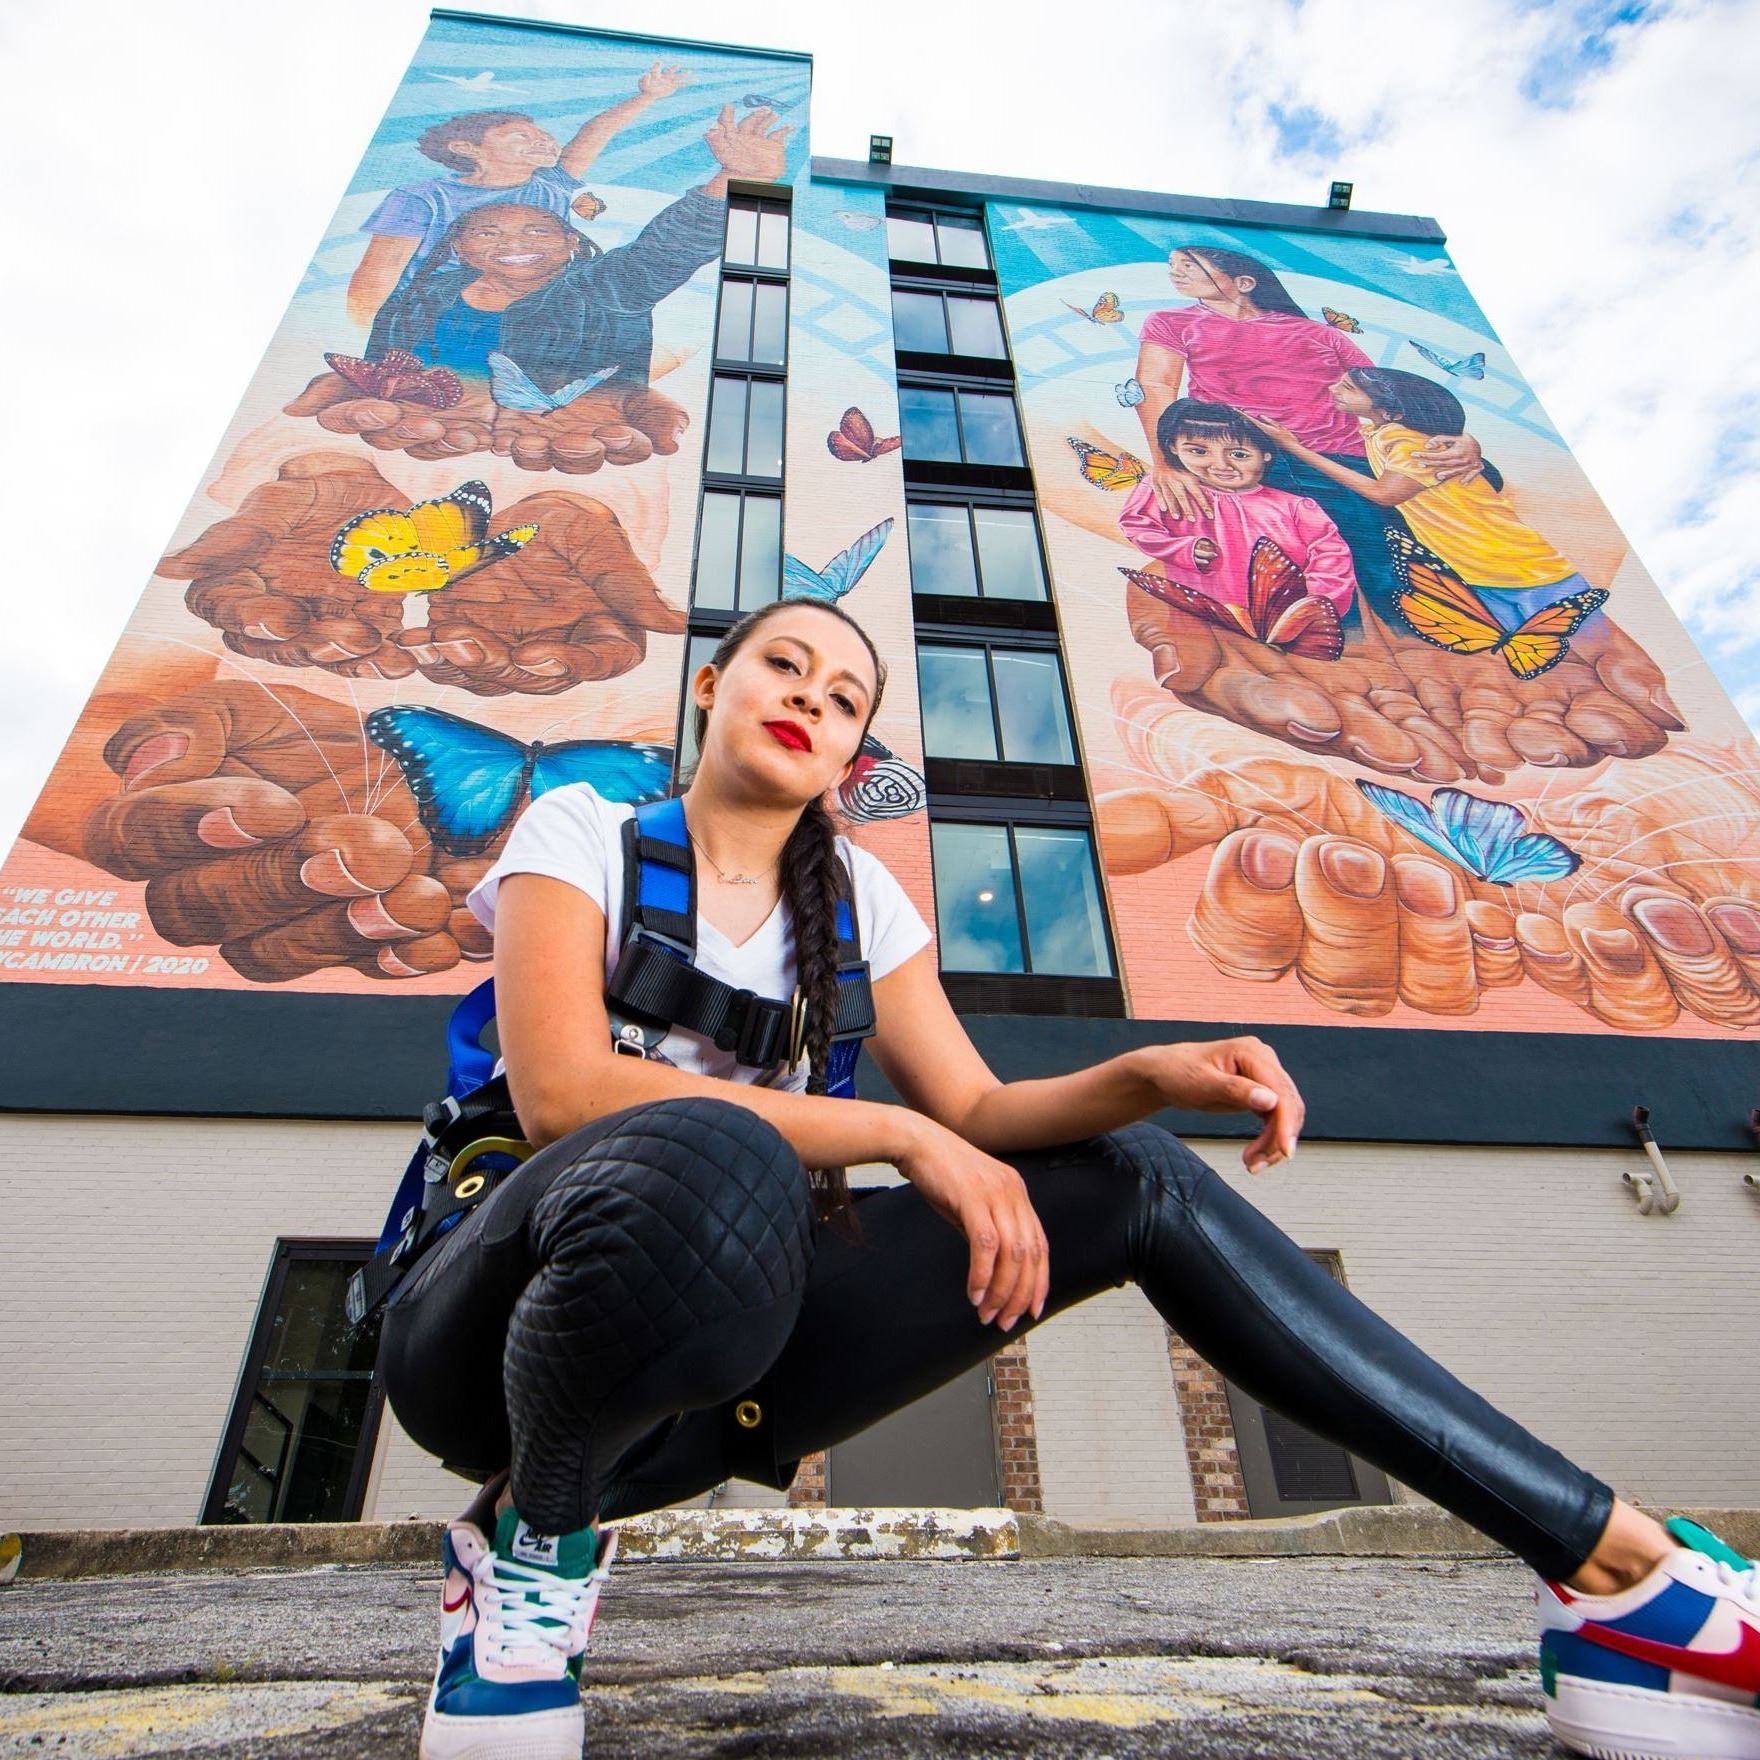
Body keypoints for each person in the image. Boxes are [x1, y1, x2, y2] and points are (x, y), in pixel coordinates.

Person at [378, 597, 1760, 1760]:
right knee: (723, 1141)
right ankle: (528, 1557)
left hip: (721, 1371)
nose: (811, 697)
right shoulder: (582, 831)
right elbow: (561, 1088)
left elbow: (980, 1105)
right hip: (492, 1346)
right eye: (782, 665)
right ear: (711, 688)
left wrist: (1147, 1077)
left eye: (847, 696)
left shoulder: (862, 903)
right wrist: (905, 1141)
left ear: (856, 753)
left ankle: (1616, 1576)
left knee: (1128, 1177)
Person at [1132, 246, 1491, 620]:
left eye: (1191, 265)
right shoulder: (1171, 322)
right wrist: (1166, 462)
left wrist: (1465, 439)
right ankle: (1337, 644)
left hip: (1344, 459)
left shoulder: (1316, 333)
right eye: (1173, 265)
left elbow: (1387, 390)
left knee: (1397, 553)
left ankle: (1424, 637)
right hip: (1254, 460)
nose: (1177, 271)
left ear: (1244, 282)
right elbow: (1155, 385)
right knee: (1302, 562)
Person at [367, 105, 787, 391]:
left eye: (537, 232)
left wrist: (737, 178)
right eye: (488, 234)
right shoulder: (420, 300)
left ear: (570, 241)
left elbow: (670, 248)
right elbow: (377, 374)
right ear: (460, 248)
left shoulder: (605, 289)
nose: (514, 242)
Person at [1253, 367, 1605, 626]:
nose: (1333, 388)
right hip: (1480, 568)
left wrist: (1293, 448)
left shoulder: (1410, 443)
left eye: (1347, 388)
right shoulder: (1380, 430)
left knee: (1589, 649)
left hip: (1520, 567)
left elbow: (1383, 494)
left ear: (1391, 412)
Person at [347, 63, 689, 328]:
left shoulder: (551, 185)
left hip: (533, 313)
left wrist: (646, 97)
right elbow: (376, 278)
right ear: (466, 148)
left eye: (543, 135)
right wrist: (382, 343)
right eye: (520, 136)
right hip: (446, 313)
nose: (542, 141)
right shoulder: (423, 198)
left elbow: (595, 134)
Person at [1118, 397, 1357, 619]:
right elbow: (1136, 525)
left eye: (1239, 454)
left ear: (1265, 455)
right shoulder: (1168, 488)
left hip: (1281, 621)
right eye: (1199, 451)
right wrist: (1182, 549)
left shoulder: (1296, 507)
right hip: (1202, 614)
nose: (1221, 465)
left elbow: (1331, 555)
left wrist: (1315, 601)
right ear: (1173, 448)